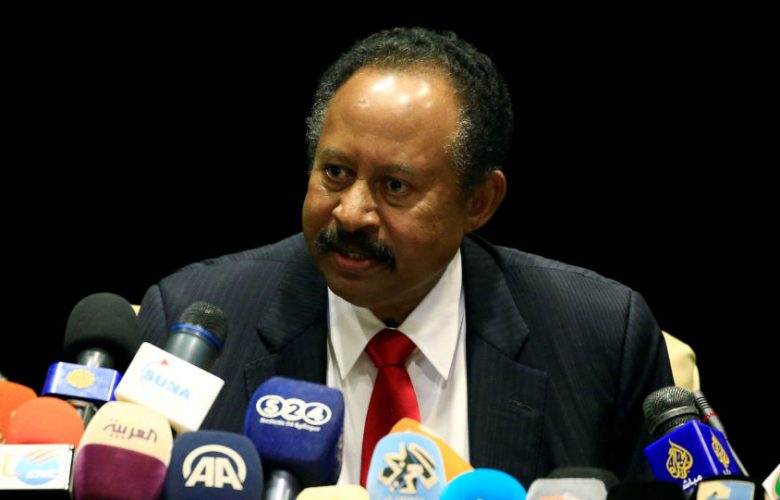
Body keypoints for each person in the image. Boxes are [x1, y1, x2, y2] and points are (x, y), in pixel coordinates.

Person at [138, 27, 673, 486]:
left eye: (395, 185)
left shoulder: (602, 338)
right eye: (336, 173)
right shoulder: (191, 323)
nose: (351, 213)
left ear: (479, 202)